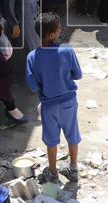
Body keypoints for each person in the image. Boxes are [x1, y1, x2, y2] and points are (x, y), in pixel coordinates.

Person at [26, 12, 82, 183]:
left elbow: (33, 86)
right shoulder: (67, 51)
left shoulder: (32, 57)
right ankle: (73, 169)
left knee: (51, 140)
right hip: (69, 103)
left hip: (49, 105)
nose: (61, 32)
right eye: (59, 30)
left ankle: (52, 172)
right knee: (72, 135)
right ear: (51, 34)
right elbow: (77, 75)